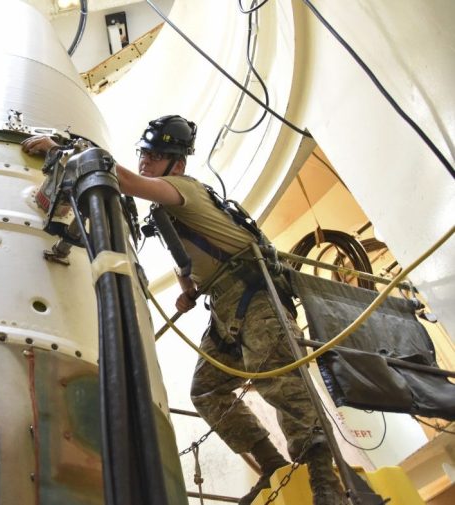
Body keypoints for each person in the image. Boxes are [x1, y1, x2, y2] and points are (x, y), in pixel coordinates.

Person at [21, 117, 346, 505]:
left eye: (156, 156)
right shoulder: (164, 210)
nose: (146, 161)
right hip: (225, 304)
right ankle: (272, 464)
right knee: (207, 390)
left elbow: (123, 180)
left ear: (177, 164)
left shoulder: (182, 188)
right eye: (144, 153)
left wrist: (66, 149)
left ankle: (325, 483)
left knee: (280, 383)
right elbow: (183, 253)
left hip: (253, 294)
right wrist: (188, 290)